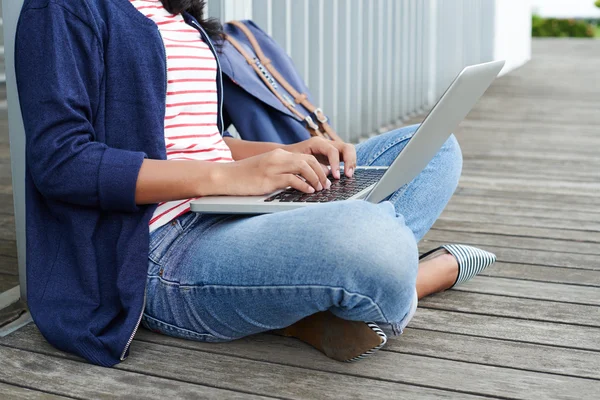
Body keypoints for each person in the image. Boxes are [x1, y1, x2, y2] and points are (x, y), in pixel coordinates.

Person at [15, 0, 496, 367]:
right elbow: (62, 162)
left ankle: (330, 287)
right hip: (153, 250)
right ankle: (414, 276)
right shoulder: (63, 8)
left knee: (434, 147)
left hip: (226, 206)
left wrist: (281, 154)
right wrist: (226, 178)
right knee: (372, 237)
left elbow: (202, 142)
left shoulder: (176, 13)